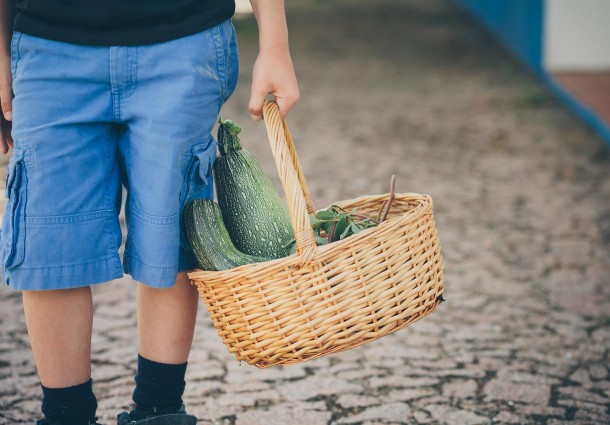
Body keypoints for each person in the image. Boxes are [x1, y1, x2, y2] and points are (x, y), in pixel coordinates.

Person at [0, 0, 299, 423]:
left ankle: (160, 412)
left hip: (182, 44)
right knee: (51, 246)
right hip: (49, 50)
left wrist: (275, 42)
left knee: (171, 233)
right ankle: (66, 416)